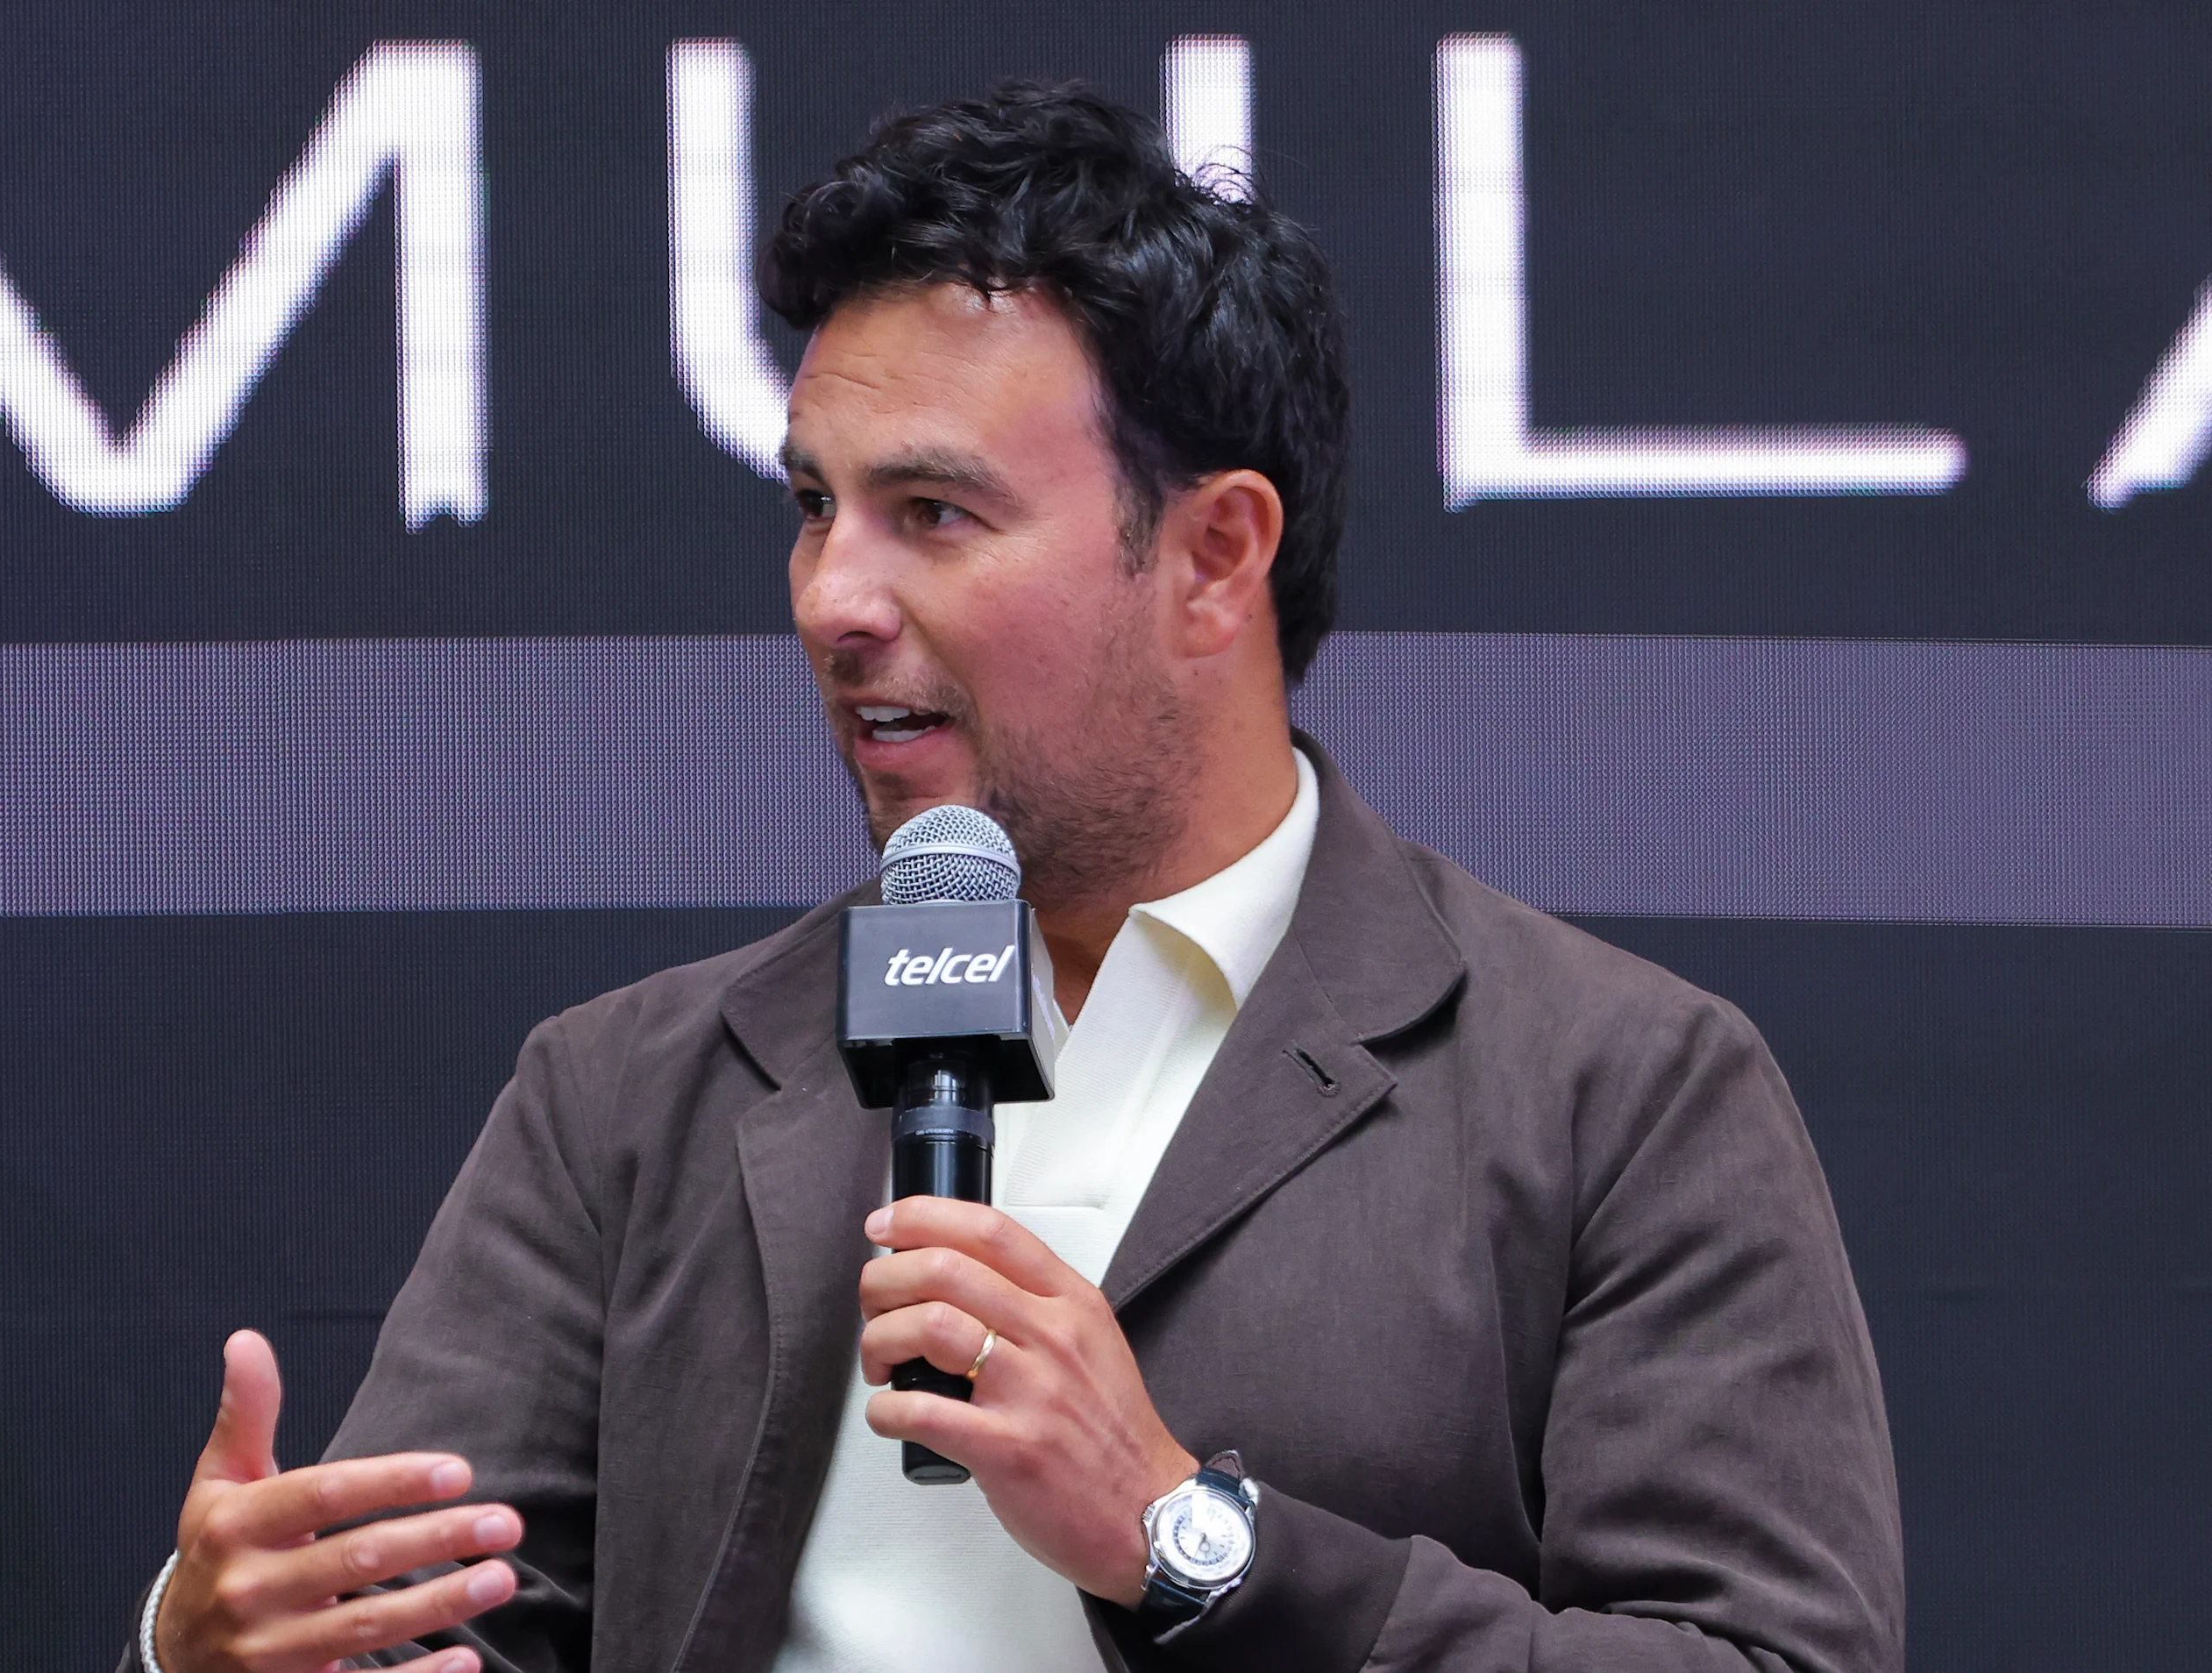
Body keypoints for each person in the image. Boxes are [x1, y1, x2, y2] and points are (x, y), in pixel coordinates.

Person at [124, 82, 1900, 1673]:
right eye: (814, 505)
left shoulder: (1614, 1089)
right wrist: (227, 1658)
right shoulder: (624, 1094)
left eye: (935, 515)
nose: (832, 597)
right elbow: (422, 1625)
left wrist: (1187, 1540)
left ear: (1215, 556)